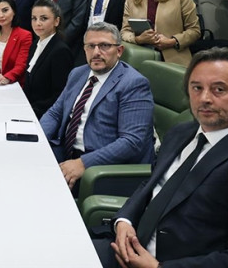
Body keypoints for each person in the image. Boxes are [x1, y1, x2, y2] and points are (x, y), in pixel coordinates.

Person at [97, 47, 228, 268]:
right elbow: (151, 185)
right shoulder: (181, 133)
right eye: (197, 88)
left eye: (219, 89)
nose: (205, 98)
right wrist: (124, 220)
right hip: (126, 248)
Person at [40, 22, 154, 193]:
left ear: (119, 51)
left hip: (102, 166)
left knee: (40, 190)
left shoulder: (133, 84)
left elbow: (132, 142)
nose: (96, 52)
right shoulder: (78, 73)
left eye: (104, 46)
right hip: (66, 150)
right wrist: (38, 139)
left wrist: (83, 163)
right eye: (91, 46)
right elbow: (56, 113)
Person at [23, 0, 74, 119]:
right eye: (34, 18)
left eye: (44, 18)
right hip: (28, 108)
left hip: (44, 115)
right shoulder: (35, 45)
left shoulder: (61, 51)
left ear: (56, 21)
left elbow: (60, 95)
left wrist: (30, 111)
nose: (37, 23)